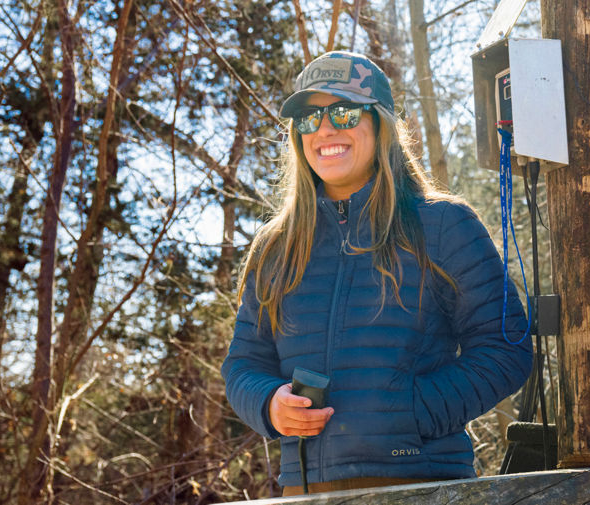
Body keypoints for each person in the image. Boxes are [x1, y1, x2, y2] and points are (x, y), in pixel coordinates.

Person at [221, 51, 532, 496]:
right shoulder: (276, 247)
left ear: (381, 123)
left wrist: (412, 412)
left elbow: (507, 348)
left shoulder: (443, 225)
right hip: (306, 492)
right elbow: (243, 364)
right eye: (309, 117)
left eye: (343, 112)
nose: (325, 129)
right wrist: (269, 404)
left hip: (422, 486)